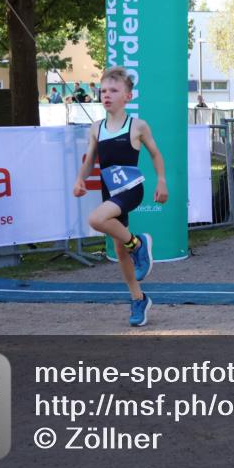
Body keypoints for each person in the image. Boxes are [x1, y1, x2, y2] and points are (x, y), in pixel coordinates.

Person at [73, 66, 167, 327]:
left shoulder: (137, 125)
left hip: (131, 189)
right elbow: (91, 159)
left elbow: (155, 154)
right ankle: (138, 298)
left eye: (114, 90)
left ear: (128, 96)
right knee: (118, 249)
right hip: (109, 192)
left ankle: (138, 244)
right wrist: (81, 178)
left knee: (95, 219)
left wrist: (161, 181)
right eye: (103, 91)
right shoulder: (96, 128)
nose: (107, 95)